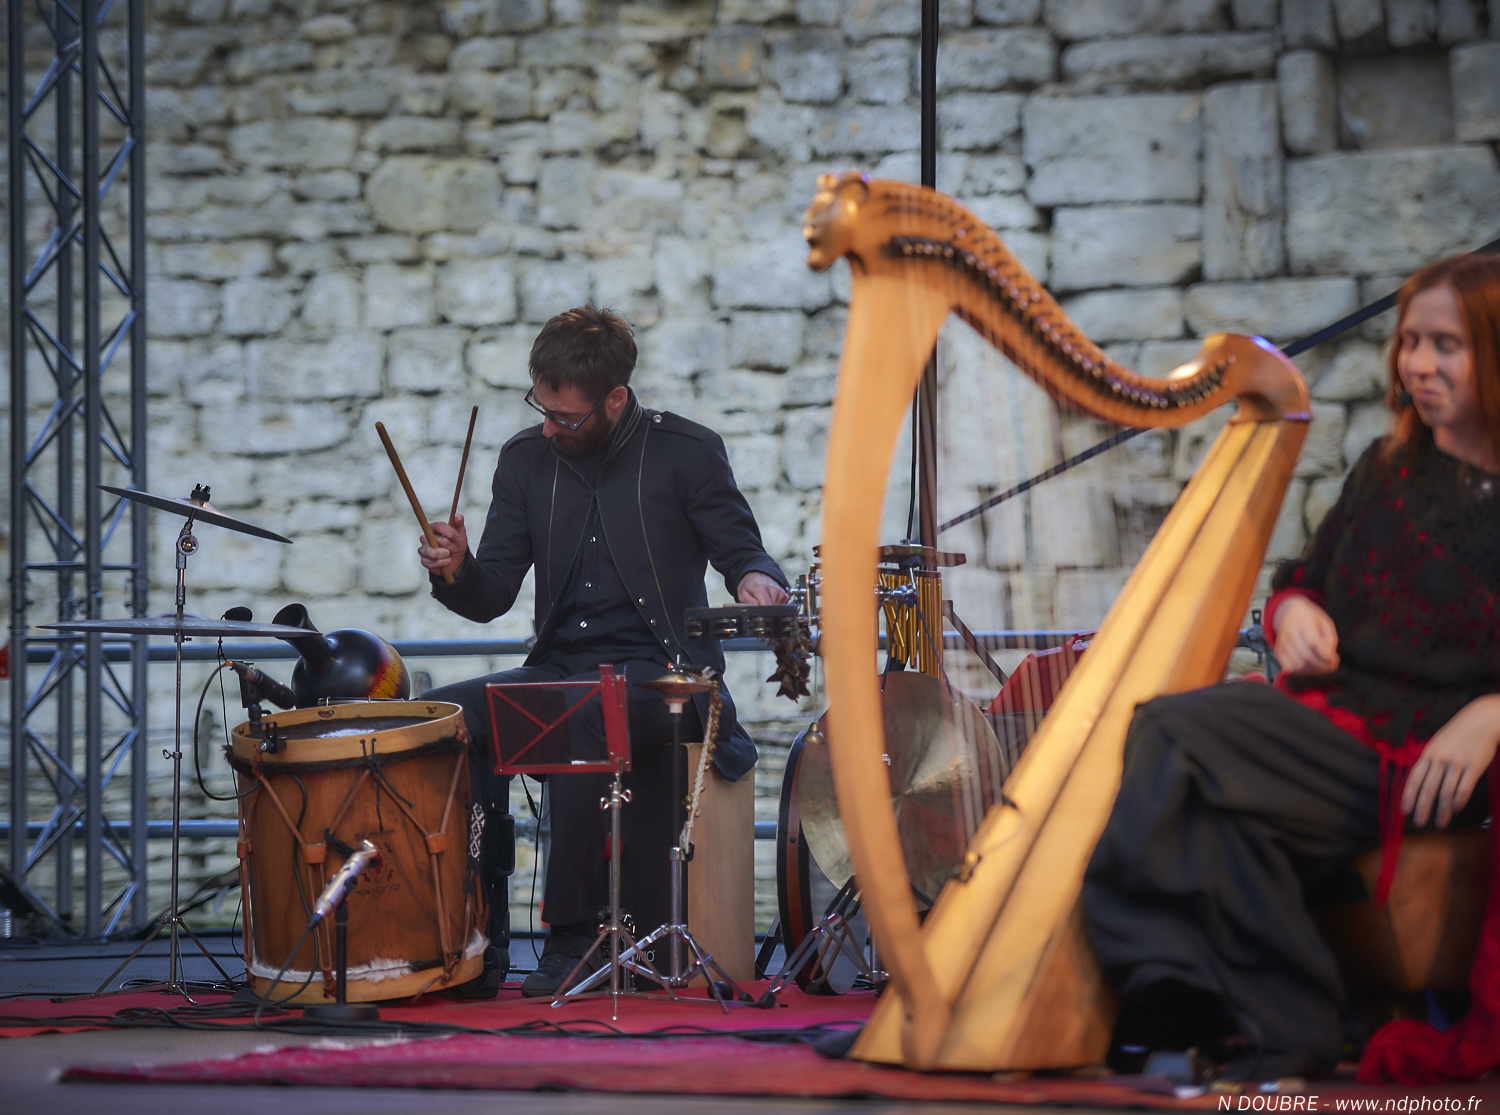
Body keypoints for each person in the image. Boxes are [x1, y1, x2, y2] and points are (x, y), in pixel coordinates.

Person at [1081, 252, 1500, 1082]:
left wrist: (1494, 710)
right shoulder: (1385, 468)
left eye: (1446, 345)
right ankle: (1293, 1028)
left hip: (1426, 760)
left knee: (1170, 727)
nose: (1419, 363)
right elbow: (1306, 580)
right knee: (1219, 818)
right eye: (1411, 341)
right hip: (1333, 728)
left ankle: (1157, 981)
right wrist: (1293, 613)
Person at [417, 305, 789, 997]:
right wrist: (456, 569)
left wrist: (755, 579)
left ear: (615, 398)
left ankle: (572, 940)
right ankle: (467, 941)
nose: (548, 428)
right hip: (561, 668)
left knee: (578, 711)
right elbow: (492, 593)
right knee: (439, 719)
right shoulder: (524, 460)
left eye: (565, 416)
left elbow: (743, 551)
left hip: (666, 674)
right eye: (541, 408)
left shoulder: (687, 450)